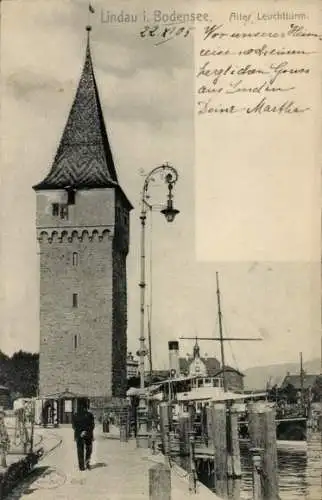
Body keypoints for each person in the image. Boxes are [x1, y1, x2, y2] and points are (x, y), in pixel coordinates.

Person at [72, 398, 95, 471]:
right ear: (86, 406)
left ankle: (81, 467)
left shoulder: (75, 415)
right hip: (88, 434)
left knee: (80, 450)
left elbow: (74, 426)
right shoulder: (89, 415)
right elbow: (92, 425)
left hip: (79, 435)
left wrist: (80, 432)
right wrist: (85, 431)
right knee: (89, 449)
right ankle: (87, 463)